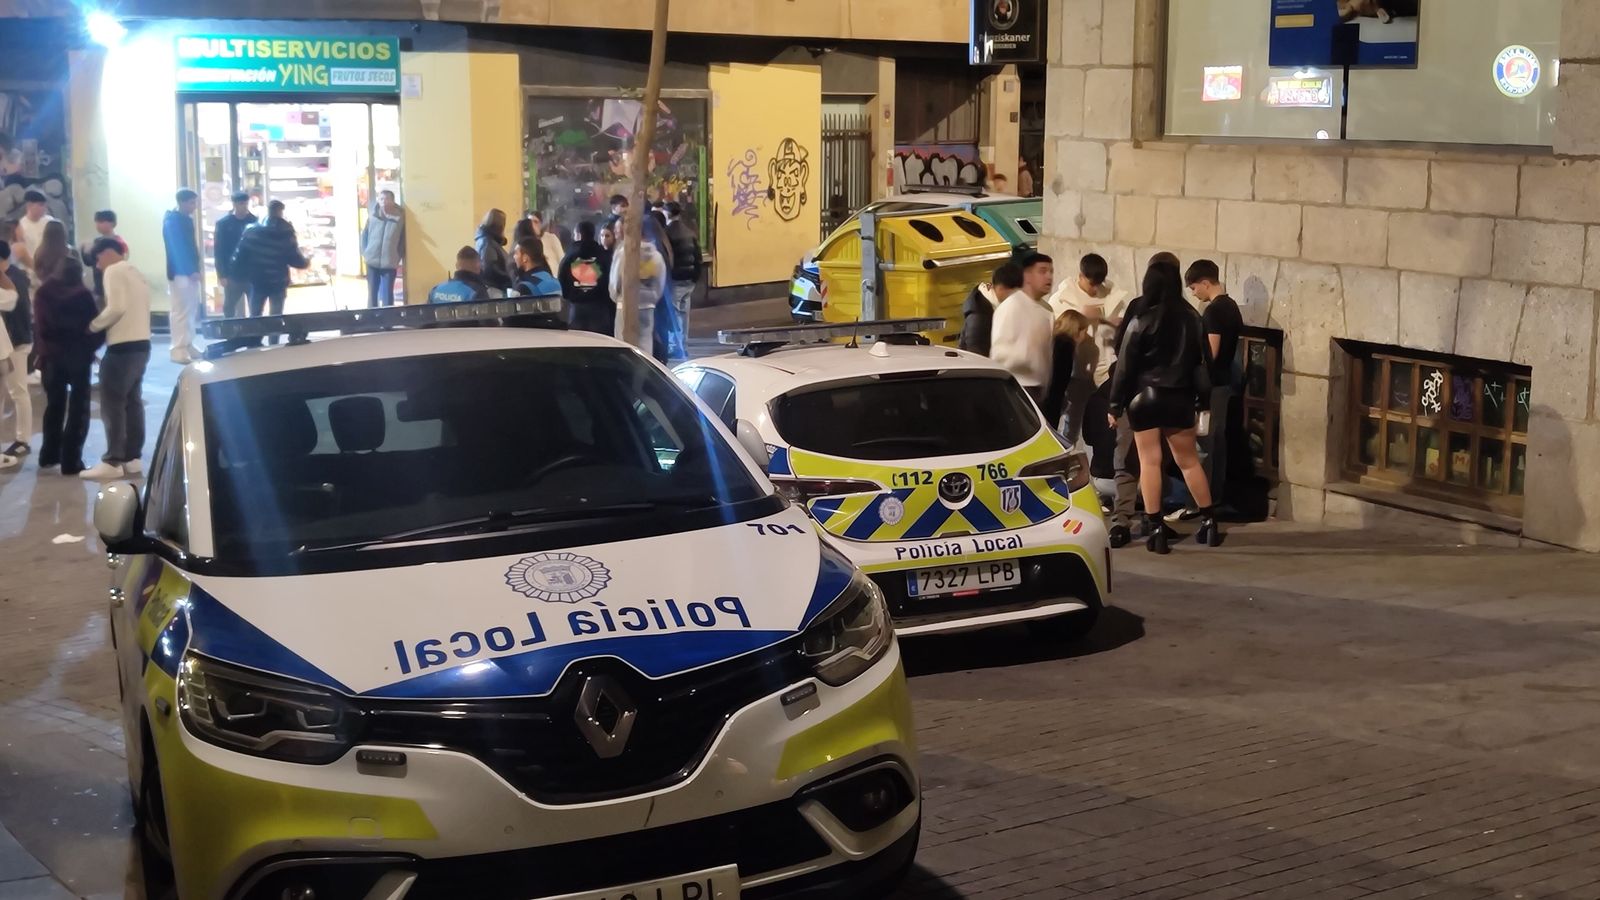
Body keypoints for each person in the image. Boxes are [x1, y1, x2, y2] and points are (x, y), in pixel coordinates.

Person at [1109, 258, 1220, 554]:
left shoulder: (1141, 318)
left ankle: (1155, 526)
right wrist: (1203, 400)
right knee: (1188, 461)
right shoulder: (1192, 318)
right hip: (1180, 395)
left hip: (1144, 398)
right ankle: (1209, 521)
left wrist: (1114, 404)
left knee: (1149, 461)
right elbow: (1203, 364)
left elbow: (1124, 366)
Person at [1097, 251, 1181, 548]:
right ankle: (1149, 518)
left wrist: (1115, 403)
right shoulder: (1184, 314)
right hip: (1169, 400)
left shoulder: (1138, 308)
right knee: (1155, 462)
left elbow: (1123, 358)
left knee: (1129, 460)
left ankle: (1124, 522)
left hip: (1135, 398)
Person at [82, 238, 151, 480]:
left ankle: (112, 460)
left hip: (122, 347)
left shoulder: (113, 270)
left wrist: (92, 326)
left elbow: (116, 307)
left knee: (112, 404)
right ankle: (133, 458)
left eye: (97, 259)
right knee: (133, 402)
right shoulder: (137, 273)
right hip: (143, 344)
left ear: (109, 253)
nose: (98, 266)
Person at [1048, 253, 1132, 445]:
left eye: (1098, 284)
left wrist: (1113, 323)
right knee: (1070, 421)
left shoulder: (1111, 295)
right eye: (1091, 283)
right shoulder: (1062, 298)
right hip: (1074, 371)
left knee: (1100, 422)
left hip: (1103, 369)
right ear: (1081, 276)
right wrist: (1083, 316)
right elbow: (1058, 329)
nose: (1094, 289)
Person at [33, 258, 101, 476]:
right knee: (78, 409)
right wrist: (89, 348)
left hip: (51, 358)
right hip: (78, 357)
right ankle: (71, 461)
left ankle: (49, 455)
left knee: (54, 406)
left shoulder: (43, 293)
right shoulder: (83, 295)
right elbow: (95, 327)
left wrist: (44, 351)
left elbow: (41, 329)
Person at [1187, 259, 1245, 508]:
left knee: (1203, 443)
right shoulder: (1232, 306)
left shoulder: (1213, 312)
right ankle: (1216, 494)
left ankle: (1200, 500)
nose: (1193, 293)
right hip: (1225, 383)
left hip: (1211, 386)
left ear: (1205, 283)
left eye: (1193, 287)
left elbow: (1210, 353)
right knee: (1218, 441)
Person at [230, 200, 309, 342]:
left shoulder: (251, 230)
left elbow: (240, 255)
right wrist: (305, 262)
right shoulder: (286, 233)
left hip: (257, 279)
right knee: (276, 315)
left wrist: (235, 274)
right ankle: (274, 344)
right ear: (281, 211)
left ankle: (254, 342)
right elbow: (294, 258)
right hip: (277, 280)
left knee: (255, 314)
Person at [989, 252, 1055, 403]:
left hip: (1040, 388)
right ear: (1028, 276)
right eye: (1042, 271)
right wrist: (1026, 356)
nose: (1049, 277)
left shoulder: (1048, 310)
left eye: (1051, 271)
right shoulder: (1011, 306)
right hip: (1016, 387)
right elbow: (998, 354)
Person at [608, 231, 670, 362]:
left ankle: (627, 374)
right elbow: (660, 283)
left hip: (624, 305)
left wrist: (617, 298)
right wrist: (652, 299)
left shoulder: (623, 254)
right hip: (647, 306)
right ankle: (643, 374)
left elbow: (615, 281)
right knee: (645, 342)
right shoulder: (656, 257)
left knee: (623, 344)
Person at [163, 189, 203, 364]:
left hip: (189, 272)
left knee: (191, 309)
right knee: (180, 310)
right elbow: (176, 248)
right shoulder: (172, 221)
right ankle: (177, 348)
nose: (194, 206)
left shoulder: (185, 219)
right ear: (182, 202)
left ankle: (187, 344)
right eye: (192, 202)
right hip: (180, 273)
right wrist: (189, 269)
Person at [0, 242, 30, 462]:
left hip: (15, 344)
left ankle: (23, 440)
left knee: (18, 392)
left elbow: (13, 310)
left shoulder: (13, 277)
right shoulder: (15, 275)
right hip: (9, 345)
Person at [1043, 310, 1095, 433]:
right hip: (1052, 398)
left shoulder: (1054, 340)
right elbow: (1060, 377)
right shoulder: (1066, 345)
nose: (1086, 335)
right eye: (1085, 331)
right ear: (1077, 329)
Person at [559, 221, 615, 335]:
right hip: (599, 308)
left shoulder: (569, 256)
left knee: (577, 345)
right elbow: (610, 278)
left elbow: (562, 279)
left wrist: (568, 296)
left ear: (578, 235)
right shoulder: (603, 255)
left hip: (576, 308)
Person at [958, 262, 1022, 357]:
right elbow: (977, 355)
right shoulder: (980, 315)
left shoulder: (994, 305)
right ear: (1001, 289)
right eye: (1014, 293)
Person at [213, 192, 257, 321]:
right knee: (229, 307)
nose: (244, 206)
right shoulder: (224, 224)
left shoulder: (254, 222)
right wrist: (221, 274)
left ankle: (255, 333)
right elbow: (219, 251)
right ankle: (230, 333)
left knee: (255, 307)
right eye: (241, 203)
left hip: (251, 273)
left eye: (246, 203)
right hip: (232, 273)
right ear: (235, 204)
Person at [664, 202, 701, 356]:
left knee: (675, 313)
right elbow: (698, 257)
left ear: (667, 214)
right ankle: (683, 343)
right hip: (689, 279)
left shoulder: (667, 233)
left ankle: (676, 345)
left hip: (676, 279)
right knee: (684, 313)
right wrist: (695, 277)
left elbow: (668, 258)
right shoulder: (690, 232)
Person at [362, 190, 404, 307]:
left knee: (387, 295)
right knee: (372, 294)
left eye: (386, 199)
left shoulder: (400, 218)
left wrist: (397, 256)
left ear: (392, 201)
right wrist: (365, 252)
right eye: (381, 199)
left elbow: (402, 240)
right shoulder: (373, 215)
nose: (383, 202)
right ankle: (371, 321)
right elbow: (364, 235)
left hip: (389, 263)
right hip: (371, 261)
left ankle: (388, 322)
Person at [80, 210, 128, 304]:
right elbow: (89, 262)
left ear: (112, 223)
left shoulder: (119, 242)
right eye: (97, 221)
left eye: (101, 221)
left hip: (113, 285)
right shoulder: (97, 241)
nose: (97, 224)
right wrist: (84, 250)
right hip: (99, 287)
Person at [474, 209, 515, 298]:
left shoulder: (489, 241)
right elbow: (490, 269)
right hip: (495, 289)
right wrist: (511, 276)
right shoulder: (487, 243)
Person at [15, 189, 55, 271]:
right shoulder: (20, 226)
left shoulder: (50, 222)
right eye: (41, 205)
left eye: (45, 205)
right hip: (29, 270)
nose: (44, 208)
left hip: (49, 270)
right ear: (29, 206)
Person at [529, 210, 565, 285]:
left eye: (535, 222)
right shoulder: (526, 242)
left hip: (554, 281)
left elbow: (562, 260)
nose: (532, 225)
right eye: (529, 222)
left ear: (541, 224)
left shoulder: (551, 238)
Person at [31, 220, 70, 286]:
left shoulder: (39, 253)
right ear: (64, 233)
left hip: (46, 291)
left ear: (45, 234)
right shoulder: (70, 252)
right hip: (67, 291)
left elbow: (36, 273)